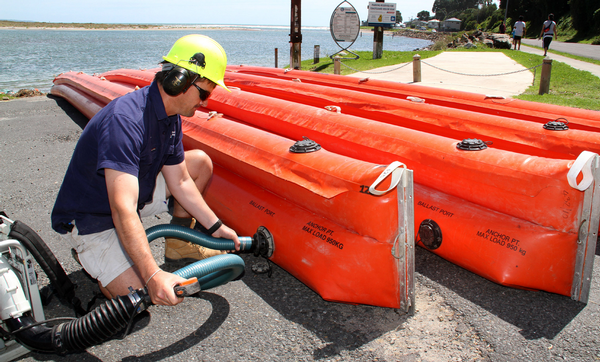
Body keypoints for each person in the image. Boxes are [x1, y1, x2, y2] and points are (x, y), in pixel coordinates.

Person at [51, 34, 240, 307]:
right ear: (180, 80)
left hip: (135, 196)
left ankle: (179, 244)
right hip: (94, 218)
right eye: (205, 93)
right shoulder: (125, 120)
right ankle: (88, 253)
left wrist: (215, 227)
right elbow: (122, 209)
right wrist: (152, 276)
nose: (206, 103)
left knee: (198, 163)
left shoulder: (170, 117)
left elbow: (182, 181)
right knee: (137, 298)